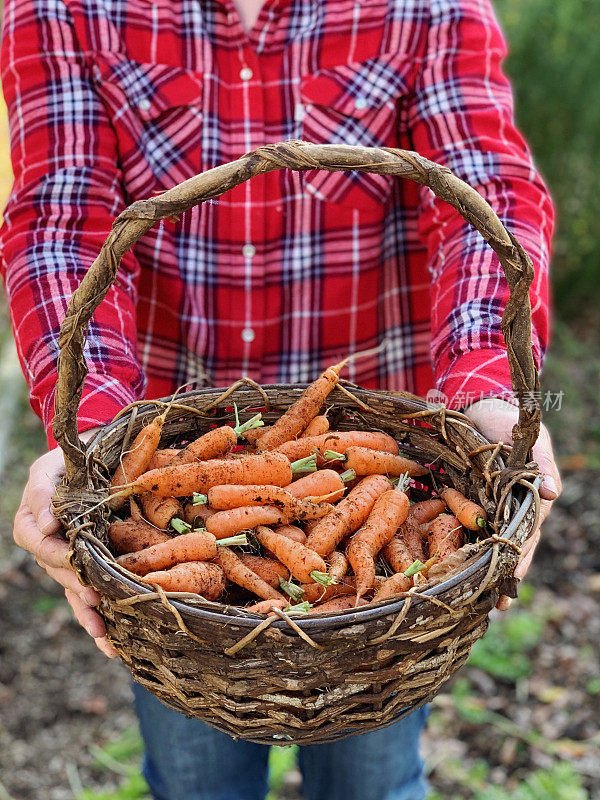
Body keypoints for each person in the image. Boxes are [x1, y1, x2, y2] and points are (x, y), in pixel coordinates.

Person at [1, 0, 561, 798]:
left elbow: (483, 191)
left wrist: (486, 388)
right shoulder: (61, 8)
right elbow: (61, 222)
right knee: (196, 778)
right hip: (161, 467)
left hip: (401, 469)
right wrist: (89, 433)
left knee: (373, 776)